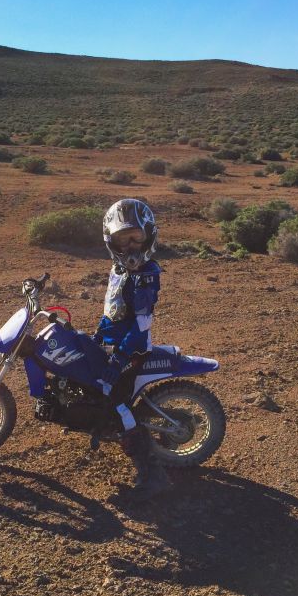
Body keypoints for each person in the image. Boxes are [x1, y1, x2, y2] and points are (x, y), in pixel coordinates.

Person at [90, 198, 171, 500]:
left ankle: (153, 476)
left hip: (132, 351)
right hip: (115, 345)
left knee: (118, 404)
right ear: (111, 242)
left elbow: (141, 327)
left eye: (136, 237)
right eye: (123, 239)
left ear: (149, 236)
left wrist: (120, 359)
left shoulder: (145, 276)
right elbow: (112, 310)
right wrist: (97, 335)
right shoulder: (118, 269)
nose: (131, 246)